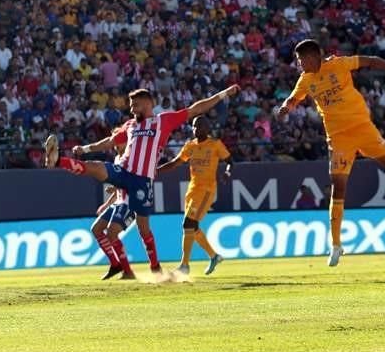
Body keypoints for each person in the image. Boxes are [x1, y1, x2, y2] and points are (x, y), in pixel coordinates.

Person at [43, 85, 240, 276]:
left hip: (142, 182)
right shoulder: (130, 125)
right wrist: (85, 149)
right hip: (124, 171)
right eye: (131, 105)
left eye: (134, 105)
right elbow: (110, 142)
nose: (131, 109)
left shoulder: (163, 121)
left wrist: (223, 94)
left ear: (147, 104)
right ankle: (58, 160)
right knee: (95, 167)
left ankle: (155, 267)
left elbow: (195, 109)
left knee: (143, 228)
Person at [276, 39, 385, 267]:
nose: (300, 64)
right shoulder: (306, 80)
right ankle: (336, 245)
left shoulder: (339, 64)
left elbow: (372, 61)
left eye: (302, 59)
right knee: (338, 186)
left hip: (362, 127)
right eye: (298, 60)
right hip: (338, 138)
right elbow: (294, 98)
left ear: (316, 56)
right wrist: (286, 107)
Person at [157, 115, 233, 275]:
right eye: (193, 126)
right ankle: (214, 256)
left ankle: (184, 266)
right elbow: (175, 163)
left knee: (187, 224)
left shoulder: (215, 145)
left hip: (206, 191)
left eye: (199, 126)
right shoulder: (190, 146)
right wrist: (155, 171)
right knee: (193, 227)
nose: (195, 129)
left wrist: (227, 172)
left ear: (207, 128)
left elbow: (230, 162)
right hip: (192, 191)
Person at [90, 140, 137, 280]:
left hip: (130, 203)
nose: (116, 143)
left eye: (120, 140)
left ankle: (128, 271)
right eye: (115, 141)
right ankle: (115, 265)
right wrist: (106, 204)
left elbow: (135, 182)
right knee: (96, 229)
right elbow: (119, 186)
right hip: (119, 202)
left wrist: (116, 188)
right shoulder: (117, 159)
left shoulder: (131, 159)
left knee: (111, 233)